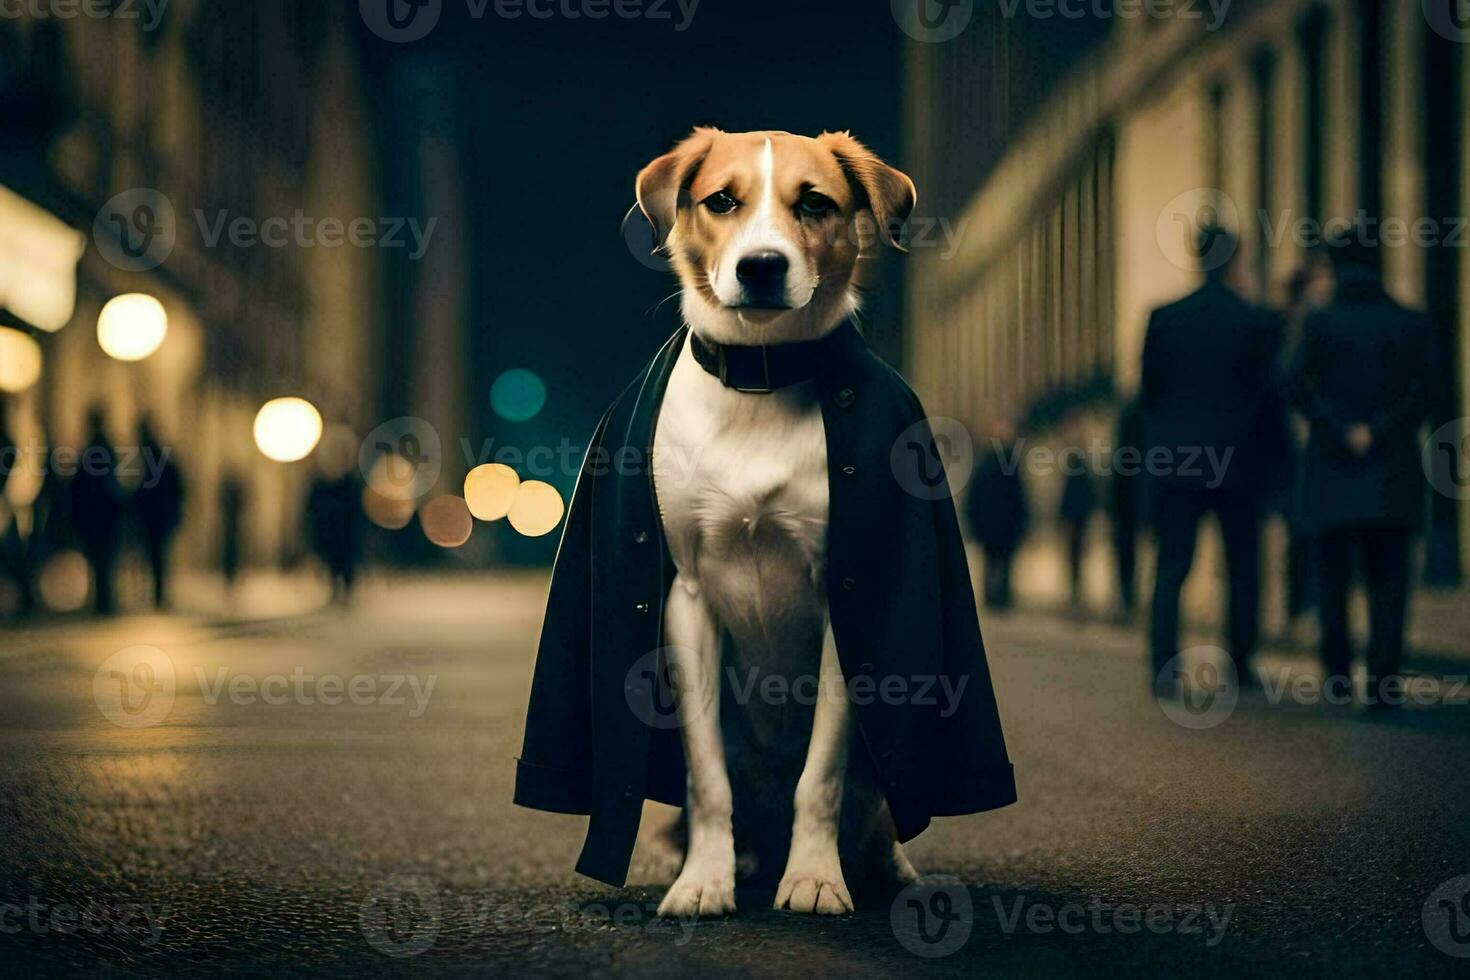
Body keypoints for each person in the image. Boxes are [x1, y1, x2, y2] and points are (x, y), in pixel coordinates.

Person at [1287, 233, 1435, 708]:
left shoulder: (1319, 322)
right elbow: (1428, 393)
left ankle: (1337, 678)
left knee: (1331, 581)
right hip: (1393, 469)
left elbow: (1293, 385)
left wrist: (1338, 427)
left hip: (1332, 468)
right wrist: (1381, 429)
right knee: (1390, 581)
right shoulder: (1410, 321)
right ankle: (1383, 682)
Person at [1141, 226, 1284, 692]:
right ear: (1235, 258)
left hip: (1178, 463)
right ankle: (1239, 665)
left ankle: (1165, 667)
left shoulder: (1164, 318)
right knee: (1243, 567)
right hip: (1238, 464)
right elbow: (1270, 402)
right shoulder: (1258, 321)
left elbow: (1150, 398)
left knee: (1171, 568)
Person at [966, 419, 1029, 610]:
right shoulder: (986, 464)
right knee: (992, 561)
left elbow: (1019, 495)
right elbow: (975, 496)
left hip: (1005, 523)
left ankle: (1000, 596)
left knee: (1004, 561)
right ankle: (993, 597)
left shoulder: (1008, 463)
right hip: (992, 524)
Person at [70, 409, 125, 615]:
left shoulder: (96, 449)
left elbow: (86, 485)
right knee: (102, 560)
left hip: (97, 515)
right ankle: (104, 600)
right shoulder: (104, 448)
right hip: (102, 515)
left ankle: (103, 602)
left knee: (99, 559)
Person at [306, 431, 365, 604]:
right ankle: (335, 591)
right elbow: (311, 508)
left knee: (346, 561)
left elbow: (357, 510)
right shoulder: (320, 483)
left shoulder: (351, 484)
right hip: (328, 530)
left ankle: (345, 592)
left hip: (346, 532)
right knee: (332, 561)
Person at [133, 417, 186, 609]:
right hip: (157, 515)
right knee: (157, 556)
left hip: (155, 516)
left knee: (156, 556)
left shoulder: (152, 458)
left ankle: (159, 594)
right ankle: (158, 594)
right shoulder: (160, 457)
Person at [1109, 398, 1145, 621]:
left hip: (1127, 500)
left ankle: (1128, 597)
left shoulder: (1131, 414)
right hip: (1133, 498)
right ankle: (1128, 597)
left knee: (1126, 553)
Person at [1058, 418, 1097, 613]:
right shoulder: (1074, 461)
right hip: (1074, 519)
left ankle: (1076, 598)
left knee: (1076, 561)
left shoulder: (1077, 463)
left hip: (1077, 520)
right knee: (1073, 561)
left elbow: (1081, 495)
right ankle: (1075, 596)